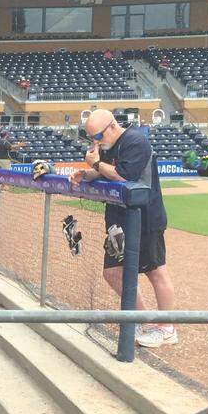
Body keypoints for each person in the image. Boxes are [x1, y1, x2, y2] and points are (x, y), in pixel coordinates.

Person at [71, 108, 177, 348]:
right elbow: (105, 173)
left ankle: (168, 328)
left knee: (155, 271)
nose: (95, 143)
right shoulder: (109, 146)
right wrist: (86, 174)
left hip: (145, 217)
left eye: (97, 137)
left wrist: (96, 162)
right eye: (91, 139)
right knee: (113, 272)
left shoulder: (135, 140)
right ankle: (146, 321)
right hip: (119, 220)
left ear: (111, 126)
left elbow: (123, 176)